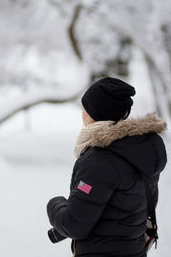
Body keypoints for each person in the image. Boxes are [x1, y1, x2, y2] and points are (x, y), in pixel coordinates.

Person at [46, 77, 167, 257]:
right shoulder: (139, 150)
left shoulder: (99, 160)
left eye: (84, 108)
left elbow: (74, 224)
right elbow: (126, 210)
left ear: (96, 112)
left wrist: (54, 204)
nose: (82, 113)